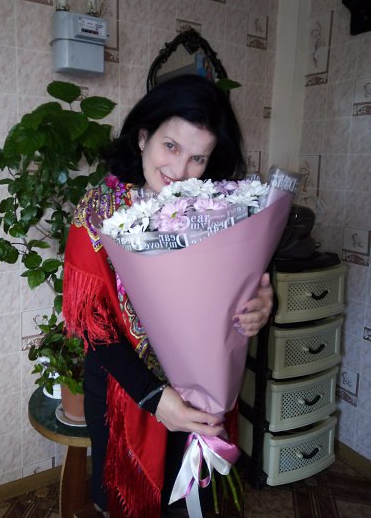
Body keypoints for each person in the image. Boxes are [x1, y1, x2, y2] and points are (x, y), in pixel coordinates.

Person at [62, 74, 273, 518]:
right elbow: (93, 325)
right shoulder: (99, 211)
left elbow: (234, 291)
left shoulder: (219, 210)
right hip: (127, 391)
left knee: (192, 501)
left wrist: (258, 306)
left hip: (204, 390)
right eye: (170, 146)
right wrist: (155, 399)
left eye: (198, 158)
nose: (180, 170)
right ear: (143, 137)